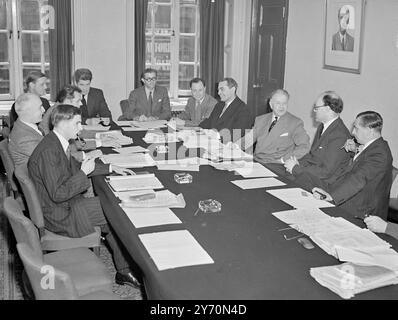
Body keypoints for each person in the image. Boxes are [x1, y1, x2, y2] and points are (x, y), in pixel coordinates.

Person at [28, 105, 141, 288]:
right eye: (77, 123)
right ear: (62, 123)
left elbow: (73, 168)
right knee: (117, 209)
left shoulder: (56, 142)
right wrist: (83, 173)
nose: (80, 128)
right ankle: (125, 269)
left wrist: (111, 168)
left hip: (65, 205)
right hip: (60, 215)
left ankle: (124, 270)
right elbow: (58, 194)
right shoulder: (49, 150)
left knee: (112, 209)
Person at [312, 111, 393, 220]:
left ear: (370, 130)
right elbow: (363, 161)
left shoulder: (380, 153)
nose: (353, 132)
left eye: (356, 128)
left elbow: (359, 178)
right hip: (355, 198)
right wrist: (355, 150)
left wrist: (332, 196)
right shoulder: (374, 146)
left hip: (362, 211)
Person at [284, 91, 351, 190]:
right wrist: (296, 162)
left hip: (325, 185)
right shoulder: (323, 126)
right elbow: (312, 155)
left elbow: (326, 172)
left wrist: (296, 169)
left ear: (327, 109)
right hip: (313, 176)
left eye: (316, 108)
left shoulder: (340, 135)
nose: (314, 111)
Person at [235, 89, 310, 164]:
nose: (281, 106)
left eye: (284, 103)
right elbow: (248, 139)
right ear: (271, 104)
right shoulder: (260, 119)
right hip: (257, 162)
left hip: (277, 164)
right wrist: (234, 146)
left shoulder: (295, 122)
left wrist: (284, 160)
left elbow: (304, 146)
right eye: (278, 103)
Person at [199, 78, 252, 142]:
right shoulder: (219, 105)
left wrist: (217, 136)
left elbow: (237, 135)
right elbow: (209, 122)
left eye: (222, 89)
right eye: (218, 90)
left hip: (229, 148)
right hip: (212, 143)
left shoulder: (243, 109)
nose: (219, 93)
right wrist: (197, 129)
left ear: (232, 90)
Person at [9, 94, 45, 167]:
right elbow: (50, 159)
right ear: (28, 112)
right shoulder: (24, 139)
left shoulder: (28, 126)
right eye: (40, 107)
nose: (44, 110)